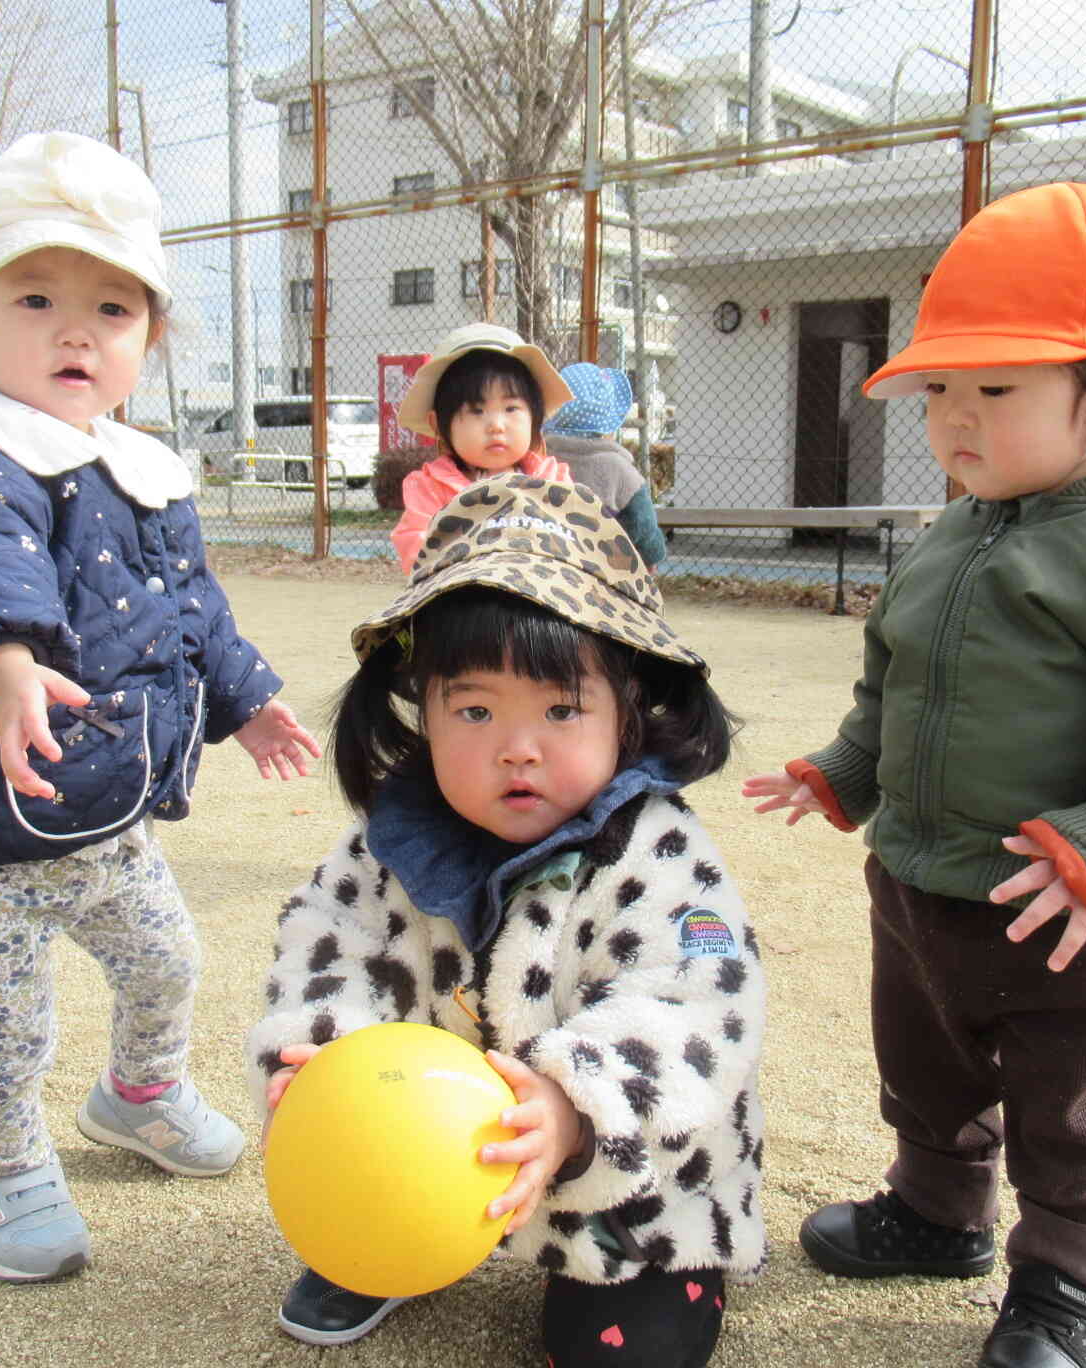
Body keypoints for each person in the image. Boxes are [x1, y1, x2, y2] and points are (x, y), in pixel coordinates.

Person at [743, 183, 1086, 1368]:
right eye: (937, 389)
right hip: (922, 887)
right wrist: (846, 770)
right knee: (922, 1067)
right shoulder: (955, 533)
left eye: (994, 389)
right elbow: (898, 675)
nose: (952, 421)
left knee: (1070, 1108)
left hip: (1070, 913)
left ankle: (1063, 1282)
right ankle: (937, 1213)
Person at [0, 130, 322, 1284]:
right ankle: (3, 1168)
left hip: (104, 810)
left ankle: (140, 1093)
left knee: (168, 962)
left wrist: (245, 699)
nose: (75, 330)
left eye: (112, 309)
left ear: (147, 336)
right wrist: (4, 664)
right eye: (36, 296)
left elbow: (189, 610)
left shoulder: (142, 467)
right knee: (9, 1024)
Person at [247, 477, 764, 1365]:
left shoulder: (659, 852)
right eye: (476, 710)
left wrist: (576, 1107)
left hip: (630, 1186)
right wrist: (323, 1057)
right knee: (362, 1187)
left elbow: (697, 1009)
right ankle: (392, 1231)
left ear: (628, 707)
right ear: (421, 707)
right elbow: (326, 949)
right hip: (425, 1147)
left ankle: (656, 1269)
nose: (517, 748)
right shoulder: (391, 839)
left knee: (615, 1342)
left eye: (562, 710)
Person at [388, 322, 575, 573]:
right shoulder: (431, 488)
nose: (496, 426)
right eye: (477, 411)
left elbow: (577, 542)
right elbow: (416, 548)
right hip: (460, 599)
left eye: (511, 409)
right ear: (439, 424)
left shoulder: (552, 481)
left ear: (535, 416)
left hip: (537, 599)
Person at [543, 362, 668, 568]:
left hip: (549, 568)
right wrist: (651, 557)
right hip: (604, 571)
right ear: (608, 427)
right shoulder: (618, 469)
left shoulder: (540, 458)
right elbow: (642, 524)